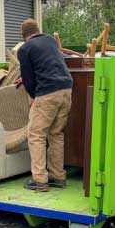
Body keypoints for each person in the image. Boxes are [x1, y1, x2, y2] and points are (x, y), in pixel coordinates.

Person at [17, 19, 73, 191]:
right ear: (38, 30)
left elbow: (28, 79)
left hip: (48, 92)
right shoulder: (50, 40)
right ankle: (57, 177)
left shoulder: (25, 49)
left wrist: (35, 97)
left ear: (24, 36)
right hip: (66, 90)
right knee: (56, 134)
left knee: (35, 134)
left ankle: (40, 180)